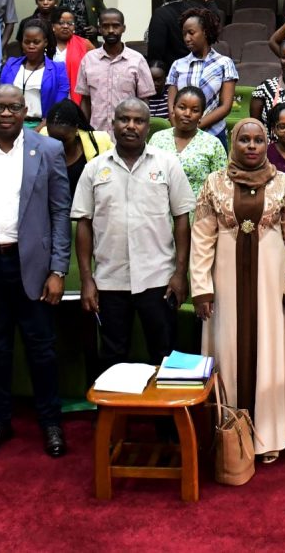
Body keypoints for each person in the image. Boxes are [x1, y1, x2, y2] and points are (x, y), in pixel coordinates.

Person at [0, 85, 72, 458]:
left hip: (33, 268)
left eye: (14, 107)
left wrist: (58, 269)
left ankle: (50, 423)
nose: (6, 114)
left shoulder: (48, 149)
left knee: (42, 350)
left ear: (25, 112)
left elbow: (59, 214)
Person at [192, 117, 285, 462]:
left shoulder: (284, 184)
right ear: (234, 143)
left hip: (272, 285)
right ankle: (228, 434)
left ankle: (268, 435)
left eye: (258, 140)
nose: (251, 146)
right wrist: (201, 288)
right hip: (226, 283)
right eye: (244, 140)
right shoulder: (214, 184)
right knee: (228, 348)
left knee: (270, 349)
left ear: (266, 143)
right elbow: (202, 238)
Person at [74, 99, 194, 370]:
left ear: (148, 127)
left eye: (138, 121)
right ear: (113, 124)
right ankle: (117, 413)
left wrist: (179, 273)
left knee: (163, 353)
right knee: (113, 356)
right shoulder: (94, 168)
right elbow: (83, 224)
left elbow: (181, 220)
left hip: (158, 280)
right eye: (124, 119)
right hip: (109, 281)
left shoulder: (167, 164)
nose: (131, 125)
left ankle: (163, 414)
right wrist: (86, 280)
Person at [166, 6, 239, 143]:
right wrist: (180, 129)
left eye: (191, 33)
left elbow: (225, 106)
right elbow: (171, 105)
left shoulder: (224, 63)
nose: (187, 38)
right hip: (180, 134)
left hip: (214, 135)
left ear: (205, 32)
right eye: (184, 34)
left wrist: (194, 127)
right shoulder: (177, 65)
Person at [75, 8, 154, 132]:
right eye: (105, 26)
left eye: (116, 26)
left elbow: (144, 101)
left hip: (128, 133)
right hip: (97, 133)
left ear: (123, 28)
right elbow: (85, 100)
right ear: (99, 29)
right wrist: (85, 131)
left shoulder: (137, 60)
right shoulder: (88, 59)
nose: (111, 30)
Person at [148, 86, 228, 195]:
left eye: (195, 110)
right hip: (160, 207)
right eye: (182, 107)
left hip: (198, 209)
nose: (187, 114)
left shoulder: (213, 144)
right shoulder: (157, 139)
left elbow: (221, 186)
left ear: (201, 114)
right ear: (173, 109)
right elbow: (148, 176)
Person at [0, 18, 68, 128]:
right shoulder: (10, 65)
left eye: (36, 42)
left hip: (44, 126)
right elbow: (0, 97)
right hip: (10, 125)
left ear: (45, 43)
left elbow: (59, 106)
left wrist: (38, 130)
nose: (31, 46)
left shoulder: (58, 69)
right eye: (27, 42)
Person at [144, 0, 216, 67]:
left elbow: (155, 53)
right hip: (200, 68)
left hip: (173, 74)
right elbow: (215, 16)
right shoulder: (195, 7)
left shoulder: (159, 14)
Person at [43, 98, 114, 195]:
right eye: (53, 139)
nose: (58, 144)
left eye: (63, 140)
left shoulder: (99, 142)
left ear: (76, 129)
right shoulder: (41, 141)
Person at [49, 8, 93, 102]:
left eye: (70, 23)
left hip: (76, 97)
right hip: (50, 94)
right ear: (53, 26)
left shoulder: (84, 44)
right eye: (61, 23)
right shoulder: (45, 44)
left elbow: (97, 67)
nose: (65, 26)